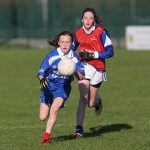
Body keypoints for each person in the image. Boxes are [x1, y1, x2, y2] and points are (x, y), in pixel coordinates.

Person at [70, 8, 114, 138]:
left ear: (94, 19)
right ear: (82, 19)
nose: (88, 20)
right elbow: (72, 48)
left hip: (98, 68)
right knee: (83, 98)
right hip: (83, 67)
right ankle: (79, 130)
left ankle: (97, 102)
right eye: (86, 18)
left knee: (90, 103)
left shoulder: (101, 32)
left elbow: (110, 52)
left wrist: (93, 54)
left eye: (90, 18)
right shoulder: (78, 33)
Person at [37, 31, 84, 144]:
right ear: (58, 42)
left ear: (72, 43)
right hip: (48, 87)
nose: (65, 44)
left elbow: (81, 77)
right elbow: (41, 71)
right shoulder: (52, 55)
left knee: (54, 109)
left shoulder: (74, 57)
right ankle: (54, 102)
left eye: (68, 42)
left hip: (62, 88)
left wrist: (73, 70)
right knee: (42, 117)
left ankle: (46, 138)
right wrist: (42, 78)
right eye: (62, 42)